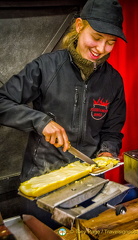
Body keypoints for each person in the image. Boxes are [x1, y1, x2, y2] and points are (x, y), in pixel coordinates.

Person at [0, 0, 127, 182]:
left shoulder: (113, 81)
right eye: (97, 38)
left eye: (110, 42)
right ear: (79, 26)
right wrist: (40, 122)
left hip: (89, 179)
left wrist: (107, 152)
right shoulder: (45, 67)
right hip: (43, 177)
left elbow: (112, 131)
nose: (101, 49)